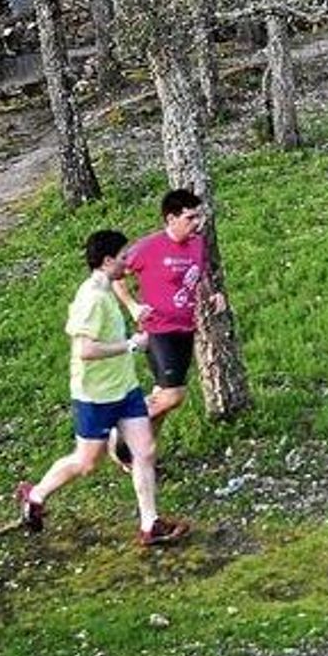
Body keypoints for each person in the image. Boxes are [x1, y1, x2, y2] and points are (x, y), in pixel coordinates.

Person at [14, 229, 190, 547]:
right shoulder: (92, 298)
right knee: (86, 463)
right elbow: (85, 350)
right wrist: (131, 345)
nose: (128, 262)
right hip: (95, 396)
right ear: (107, 261)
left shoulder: (106, 289)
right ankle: (35, 495)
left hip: (125, 389)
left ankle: (150, 524)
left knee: (145, 451)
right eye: (123, 257)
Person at [109, 188, 225, 469]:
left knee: (163, 397)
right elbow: (115, 275)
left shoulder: (197, 244)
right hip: (159, 330)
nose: (197, 223)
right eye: (190, 218)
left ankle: (141, 456)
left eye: (198, 216)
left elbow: (199, 275)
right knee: (174, 395)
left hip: (185, 328)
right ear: (171, 219)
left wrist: (213, 294)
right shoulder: (149, 247)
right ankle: (121, 425)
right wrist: (133, 306)